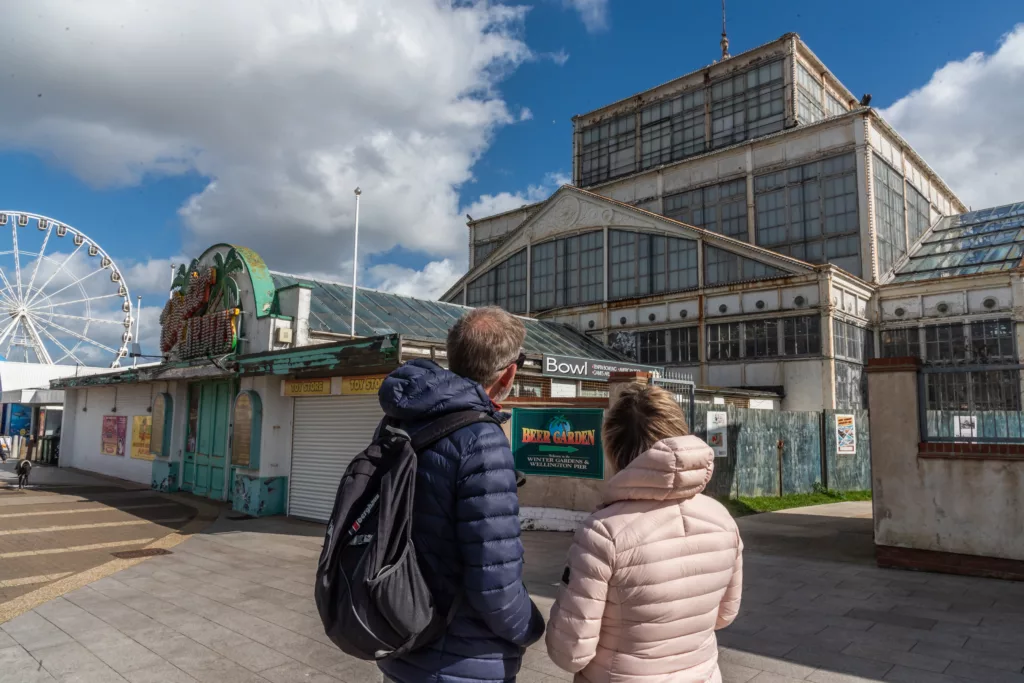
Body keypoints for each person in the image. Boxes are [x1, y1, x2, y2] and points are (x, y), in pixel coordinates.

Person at [376, 306, 545, 683]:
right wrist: (531, 626)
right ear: (509, 373)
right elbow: (494, 582)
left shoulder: (400, 419)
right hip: (461, 660)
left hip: (401, 635)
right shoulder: (483, 441)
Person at [545, 384, 743, 683]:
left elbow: (570, 651)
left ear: (611, 446)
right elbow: (724, 615)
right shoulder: (723, 519)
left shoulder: (603, 533)